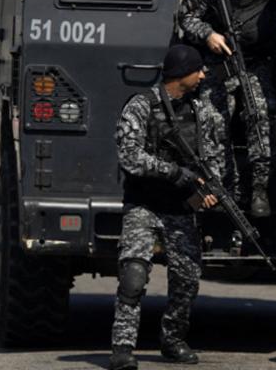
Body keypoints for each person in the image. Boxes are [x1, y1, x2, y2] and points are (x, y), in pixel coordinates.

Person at [109, 44, 227, 370]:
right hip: (143, 205)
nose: (204, 75)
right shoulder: (140, 107)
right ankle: (122, 347)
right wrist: (175, 173)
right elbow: (130, 158)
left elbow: (214, 163)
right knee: (133, 275)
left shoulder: (203, 113)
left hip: (180, 209)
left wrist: (207, 192)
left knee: (187, 279)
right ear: (181, 73)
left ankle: (172, 340)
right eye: (198, 69)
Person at [177, 0, 276, 217]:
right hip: (220, 62)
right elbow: (186, 16)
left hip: (255, 61)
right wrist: (208, 35)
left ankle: (259, 189)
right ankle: (218, 187)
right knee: (214, 121)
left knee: (260, 116)